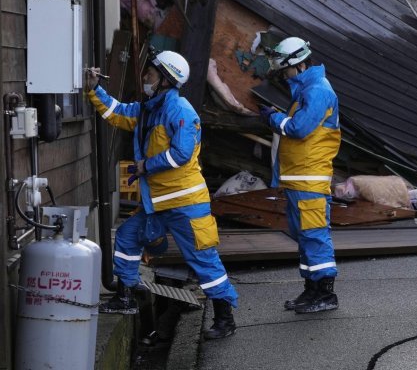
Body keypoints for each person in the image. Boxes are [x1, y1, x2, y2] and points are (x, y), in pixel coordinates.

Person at [85, 50, 238, 340]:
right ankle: (126, 294)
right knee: (128, 237)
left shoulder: (180, 110)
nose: (145, 77)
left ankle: (224, 318)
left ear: (166, 80)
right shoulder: (149, 109)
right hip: (158, 203)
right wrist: (94, 89)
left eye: (151, 74)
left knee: (204, 261)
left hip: (185, 204)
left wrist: (146, 165)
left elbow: (181, 154)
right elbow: (116, 112)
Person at [260, 37, 341, 314]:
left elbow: (298, 128)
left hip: (310, 181)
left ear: (296, 64)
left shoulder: (317, 91)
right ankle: (311, 290)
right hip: (300, 180)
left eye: (284, 70)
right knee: (305, 236)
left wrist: (273, 118)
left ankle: (325, 295)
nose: (283, 76)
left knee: (314, 236)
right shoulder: (306, 91)